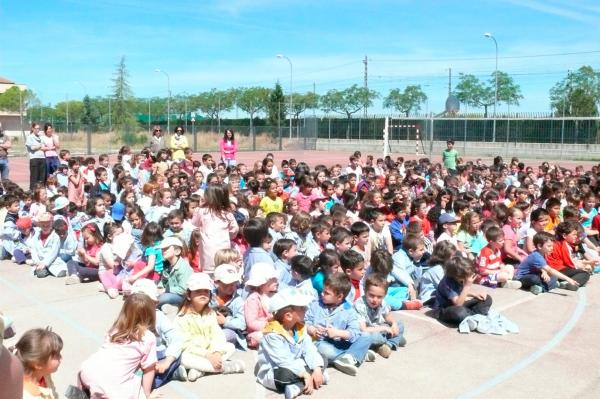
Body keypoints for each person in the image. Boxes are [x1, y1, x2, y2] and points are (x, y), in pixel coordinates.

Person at [79, 293, 157, 398]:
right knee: (136, 381)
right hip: (111, 385)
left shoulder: (116, 328)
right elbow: (149, 368)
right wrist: (146, 394)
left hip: (87, 371)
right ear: (150, 314)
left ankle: (91, 392)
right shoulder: (147, 337)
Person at [255, 287, 326, 399]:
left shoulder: (299, 328)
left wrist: (317, 368)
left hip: (298, 365)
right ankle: (304, 382)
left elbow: (310, 350)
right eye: (302, 307)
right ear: (288, 316)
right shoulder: (272, 334)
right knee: (285, 375)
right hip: (277, 369)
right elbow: (284, 361)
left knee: (321, 358)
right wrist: (304, 374)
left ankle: (305, 382)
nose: (306, 309)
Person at [174, 273, 245, 381]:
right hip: (194, 353)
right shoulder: (182, 317)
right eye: (198, 291)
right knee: (182, 358)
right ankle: (225, 367)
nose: (203, 294)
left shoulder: (211, 313)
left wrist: (216, 352)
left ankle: (200, 370)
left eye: (206, 291)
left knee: (230, 347)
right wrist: (207, 355)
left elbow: (217, 335)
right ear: (189, 295)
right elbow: (185, 344)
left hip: (210, 351)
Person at [305, 273, 374, 376]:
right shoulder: (316, 304)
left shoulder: (349, 309)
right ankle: (355, 356)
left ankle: (349, 357)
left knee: (366, 336)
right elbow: (306, 321)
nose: (322, 294)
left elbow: (355, 332)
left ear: (339, 296)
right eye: (322, 291)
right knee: (323, 348)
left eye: (326, 293)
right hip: (321, 342)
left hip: (341, 343)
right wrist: (312, 330)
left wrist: (338, 333)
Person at [130, 279, 187, 389]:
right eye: (136, 301)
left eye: (146, 302)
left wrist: (166, 362)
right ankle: (166, 376)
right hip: (135, 357)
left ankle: (151, 380)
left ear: (155, 303)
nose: (141, 306)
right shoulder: (127, 317)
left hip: (157, 355)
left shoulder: (159, 317)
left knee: (177, 356)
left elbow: (176, 339)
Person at [354, 273, 405, 359]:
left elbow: (388, 317)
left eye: (379, 297)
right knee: (375, 337)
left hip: (378, 328)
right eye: (371, 295)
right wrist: (384, 329)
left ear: (384, 296)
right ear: (365, 291)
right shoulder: (359, 304)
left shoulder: (382, 302)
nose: (375, 300)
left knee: (400, 324)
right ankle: (392, 340)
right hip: (366, 332)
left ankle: (388, 345)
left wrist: (394, 324)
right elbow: (363, 329)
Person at [191, 184, 239, 274]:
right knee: (223, 271)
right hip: (223, 248)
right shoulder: (227, 213)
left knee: (209, 272)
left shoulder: (201, 211)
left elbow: (194, 223)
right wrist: (228, 236)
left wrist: (199, 207)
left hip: (207, 249)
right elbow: (235, 229)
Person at [435, 256, 492, 326]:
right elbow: (458, 304)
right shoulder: (447, 282)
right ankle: (473, 316)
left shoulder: (459, 278)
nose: (469, 277)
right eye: (466, 275)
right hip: (444, 310)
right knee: (460, 313)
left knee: (486, 298)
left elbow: (460, 293)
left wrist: (475, 294)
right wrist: (467, 286)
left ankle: (473, 317)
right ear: (457, 275)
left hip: (459, 304)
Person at [26, 123, 46, 190]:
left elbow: (44, 147)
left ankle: (41, 191)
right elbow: (32, 148)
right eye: (36, 128)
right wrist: (40, 145)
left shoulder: (40, 137)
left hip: (42, 158)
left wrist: (39, 146)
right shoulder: (30, 137)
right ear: (32, 129)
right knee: (34, 177)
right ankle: (32, 191)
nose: (38, 130)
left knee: (42, 177)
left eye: (39, 128)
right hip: (34, 158)